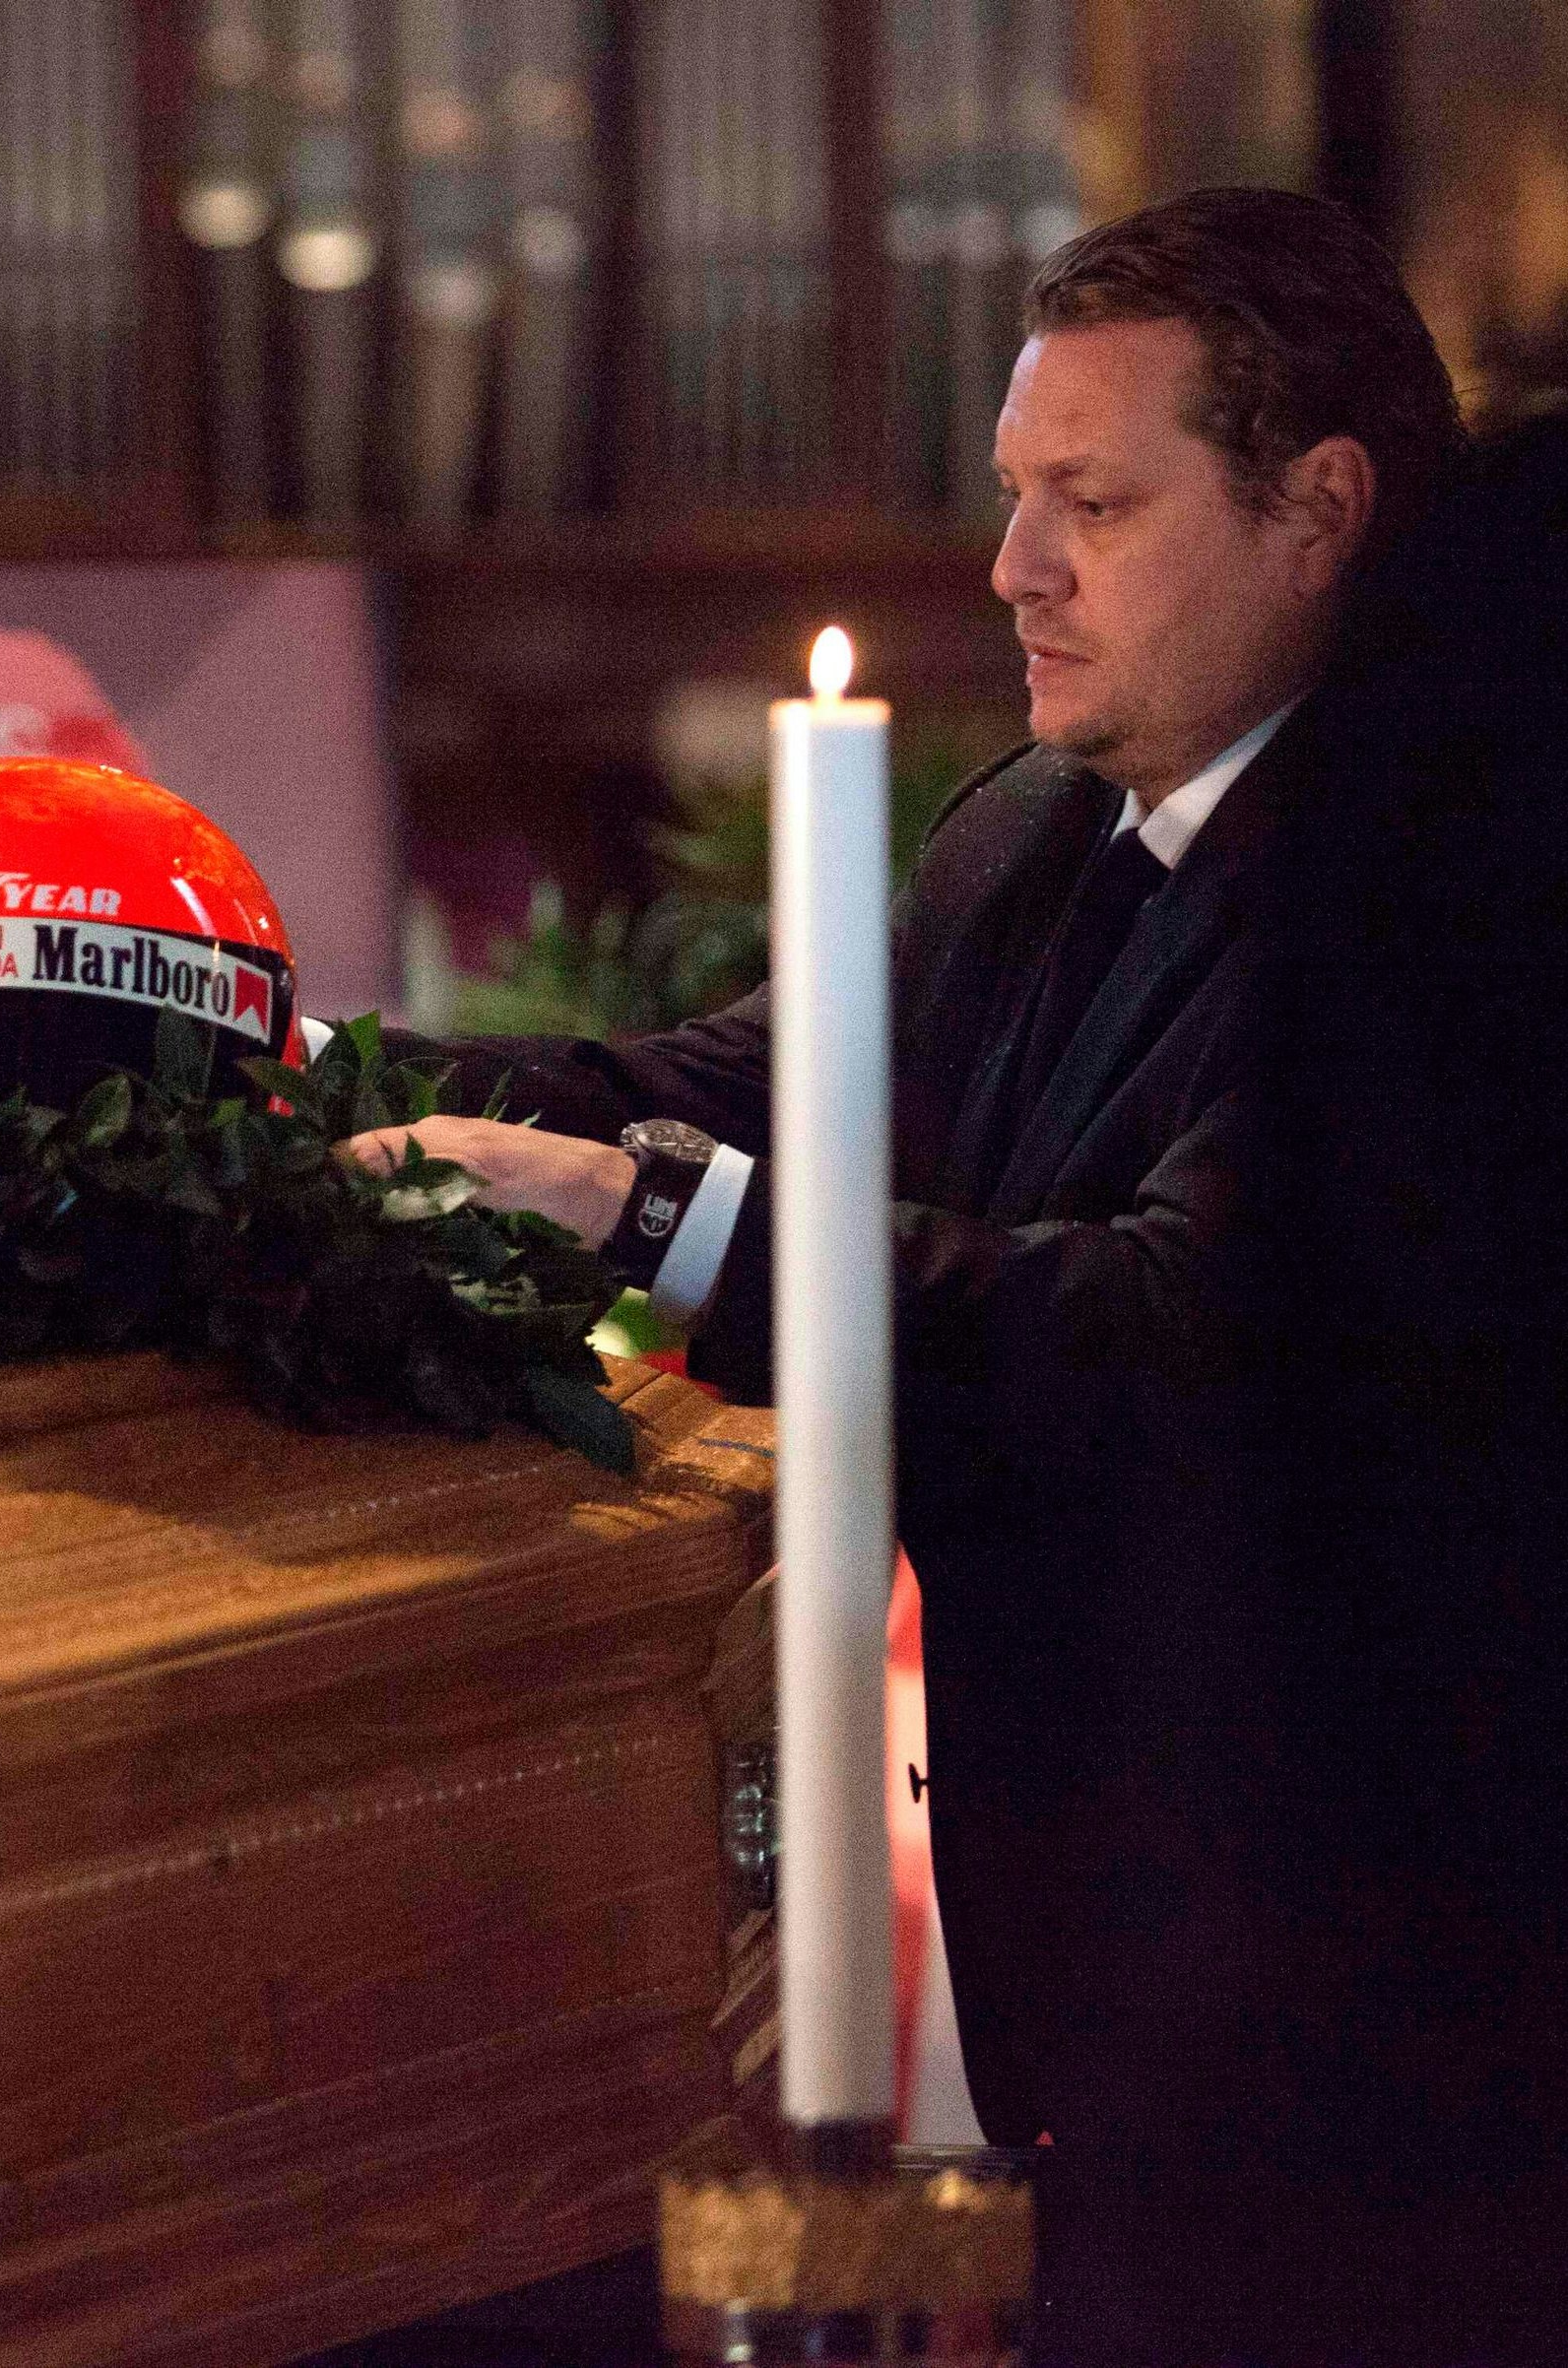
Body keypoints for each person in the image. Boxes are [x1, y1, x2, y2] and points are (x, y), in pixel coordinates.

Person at [338, 190, 1478, 2337]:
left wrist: (653, 1218)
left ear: (1322, 510)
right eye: (1010, 497)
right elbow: (713, 1078)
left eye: (1092, 501)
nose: (1010, 568)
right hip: (1099, 1961)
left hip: (1380, 1987)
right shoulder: (1030, 830)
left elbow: (1169, 1334)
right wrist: (292, 1064)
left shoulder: (1444, 896)